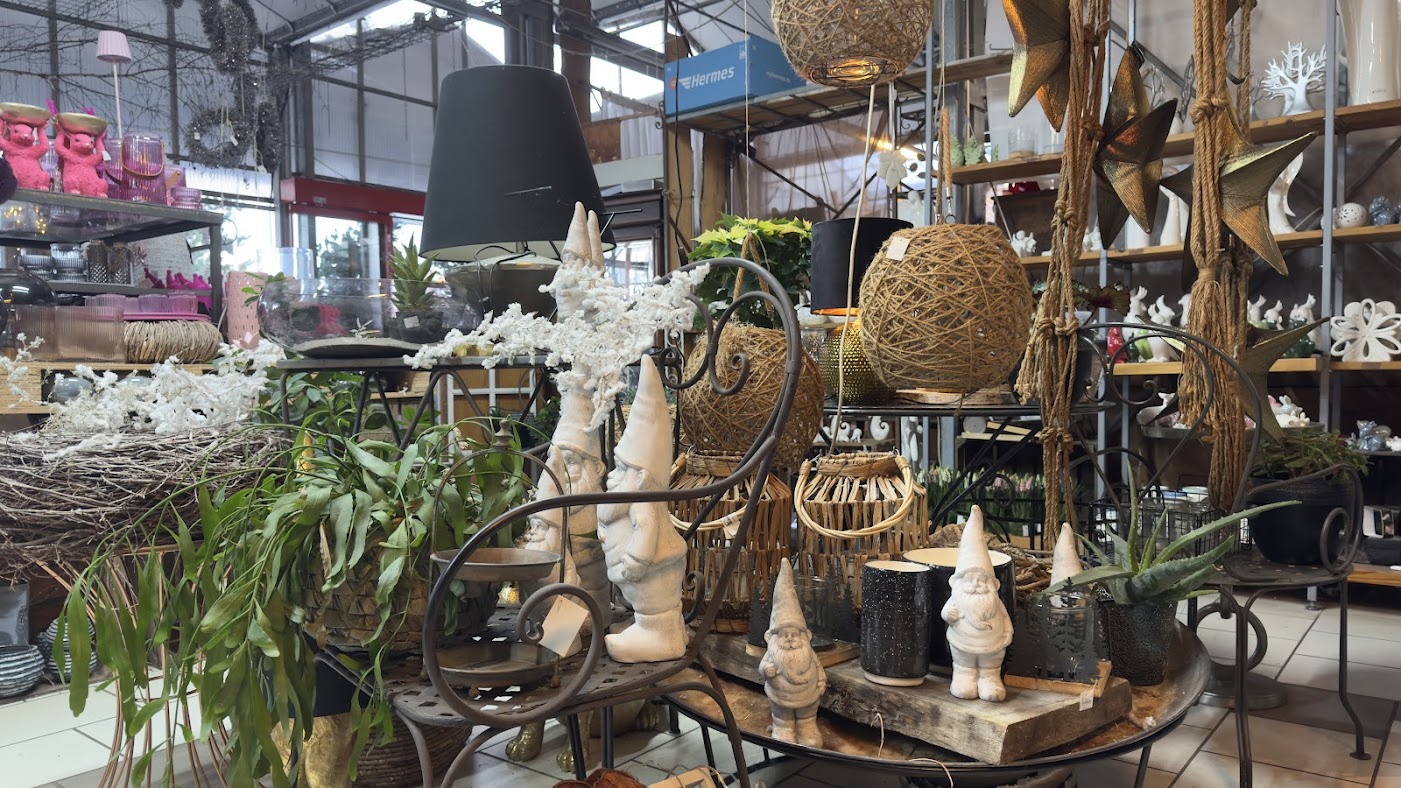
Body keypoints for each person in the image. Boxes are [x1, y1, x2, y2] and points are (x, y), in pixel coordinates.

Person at [598, 355, 688, 663]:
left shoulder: (643, 503)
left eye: (622, 468)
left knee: (655, 604)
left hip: (653, 570)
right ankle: (652, 627)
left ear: (640, 477)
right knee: (648, 604)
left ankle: (661, 636)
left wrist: (635, 563)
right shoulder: (627, 499)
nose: (613, 474)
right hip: (642, 578)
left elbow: (647, 531)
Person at [942, 507, 1013, 702]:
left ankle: (990, 679)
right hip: (962, 644)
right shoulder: (957, 599)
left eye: (982, 580)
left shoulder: (995, 602)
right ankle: (963, 678)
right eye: (969, 580)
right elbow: (946, 613)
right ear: (956, 582)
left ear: (993, 584)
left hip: (993, 645)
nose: (975, 585)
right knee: (963, 665)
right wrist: (949, 615)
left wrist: (1008, 631)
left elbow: (1005, 617)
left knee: (991, 666)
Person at [759, 561, 825, 747]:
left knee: (807, 714)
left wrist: (821, 680)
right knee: (782, 714)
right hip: (780, 697)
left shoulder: (808, 653)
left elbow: (818, 666)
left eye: (794, 634)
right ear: (771, 637)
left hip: (808, 695)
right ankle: (783, 727)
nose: (789, 639)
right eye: (783, 635)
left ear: (806, 636)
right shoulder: (773, 653)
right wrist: (766, 670)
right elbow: (762, 667)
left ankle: (807, 727)